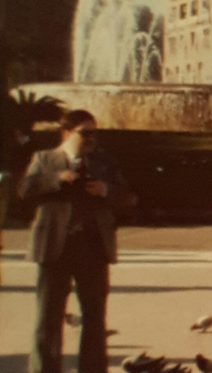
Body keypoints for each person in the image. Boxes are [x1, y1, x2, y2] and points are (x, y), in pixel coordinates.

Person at [19, 109, 130, 373]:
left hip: (93, 248)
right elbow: (25, 190)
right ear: (66, 132)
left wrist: (105, 190)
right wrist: (56, 178)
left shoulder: (104, 162)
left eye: (94, 132)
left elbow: (127, 197)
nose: (91, 138)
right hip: (54, 247)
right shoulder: (45, 159)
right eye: (85, 133)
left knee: (94, 318)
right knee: (48, 317)